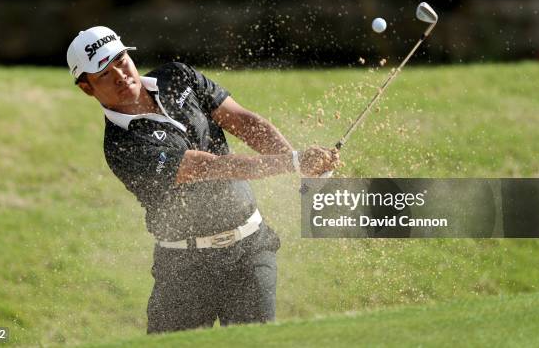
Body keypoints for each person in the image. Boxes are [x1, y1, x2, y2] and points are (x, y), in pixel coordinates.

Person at [66, 26, 339, 333]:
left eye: (121, 60)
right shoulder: (121, 145)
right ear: (87, 87)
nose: (120, 74)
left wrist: (298, 162)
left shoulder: (177, 77)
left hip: (249, 250)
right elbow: (211, 167)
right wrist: (292, 162)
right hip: (184, 269)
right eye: (103, 73)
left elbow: (243, 121)